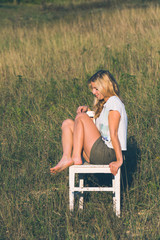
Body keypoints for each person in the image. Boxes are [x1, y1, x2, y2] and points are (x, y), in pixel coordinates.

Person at [50, 70, 127, 176]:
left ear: (105, 86)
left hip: (108, 153)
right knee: (67, 123)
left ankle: (76, 157)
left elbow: (113, 134)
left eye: (96, 89)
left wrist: (119, 160)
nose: (93, 92)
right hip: (99, 151)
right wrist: (88, 110)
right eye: (93, 89)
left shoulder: (114, 102)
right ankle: (66, 157)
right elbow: (97, 128)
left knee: (81, 118)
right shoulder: (105, 104)